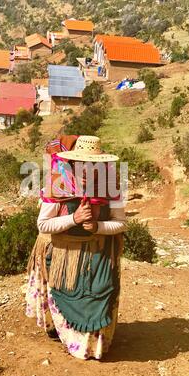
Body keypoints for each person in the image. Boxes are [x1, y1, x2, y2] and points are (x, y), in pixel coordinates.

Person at [25, 135, 127, 360]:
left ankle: (96, 347)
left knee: (101, 292)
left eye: (93, 165)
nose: (86, 171)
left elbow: (121, 223)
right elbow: (43, 224)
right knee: (68, 293)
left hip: (99, 251)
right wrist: (74, 218)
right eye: (81, 165)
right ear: (71, 164)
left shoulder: (111, 187)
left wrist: (97, 226)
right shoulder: (56, 187)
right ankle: (74, 342)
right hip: (65, 255)